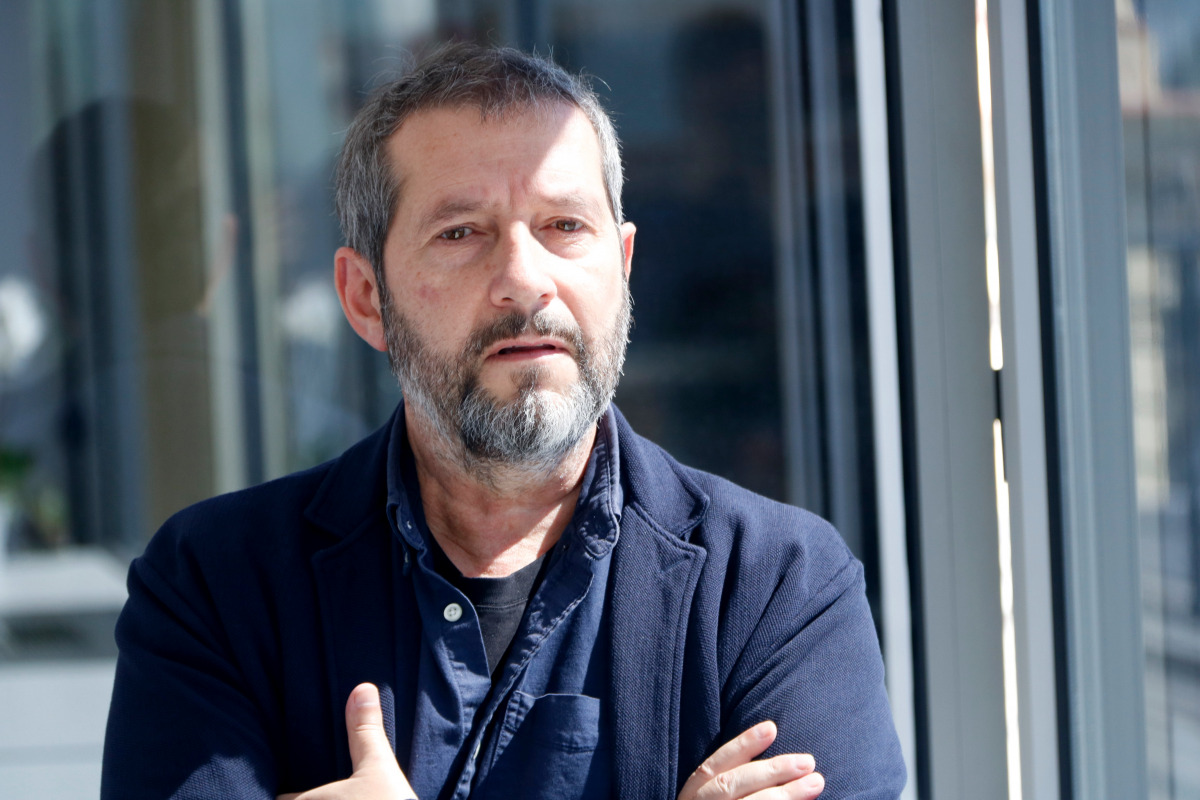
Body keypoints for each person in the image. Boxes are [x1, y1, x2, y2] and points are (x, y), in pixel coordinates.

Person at [101, 43, 906, 800]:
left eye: (565, 226)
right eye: (461, 233)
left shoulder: (774, 584)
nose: (525, 279)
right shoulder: (216, 586)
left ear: (623, 267)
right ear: (365, 297)